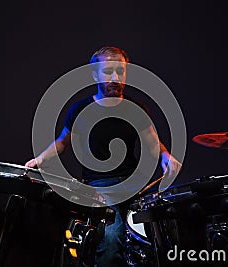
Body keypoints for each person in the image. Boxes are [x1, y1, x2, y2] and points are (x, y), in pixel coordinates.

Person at [25, 46, 182, 266]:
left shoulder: (136, 108)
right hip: (99, 189)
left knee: (165, 236)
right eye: (108, 72)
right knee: (111, 241)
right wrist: (39, 160)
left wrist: (166, 157)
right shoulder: (80, 109)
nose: (115, 78)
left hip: (135, 188)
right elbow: (62, 143)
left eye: (121, 71)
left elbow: (155, 145)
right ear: (95, 74)